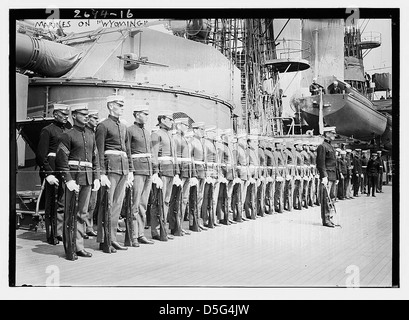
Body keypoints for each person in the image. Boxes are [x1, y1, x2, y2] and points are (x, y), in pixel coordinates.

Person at [55, 103, 100, 260]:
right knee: (70, 213)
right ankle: (69, 248)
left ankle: (79, 246)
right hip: (74, 178)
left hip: (87, 177)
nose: (86, 116)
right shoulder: (67, 135)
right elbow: (62, 159)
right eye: (82, 114)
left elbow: (96, 159)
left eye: (87, 114)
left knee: (82, 214)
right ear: (74, 116)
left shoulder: (91, 135)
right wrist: (67, 179)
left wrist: (97, 178)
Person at [95, 95, 134, 253]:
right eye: (120, 105)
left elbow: (128, 150)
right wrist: (101, 173)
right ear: (111, 106)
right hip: (110, 168)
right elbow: (99, 151)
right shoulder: (103, 126)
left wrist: (130, 170)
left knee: (117, 205)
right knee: (108, 204)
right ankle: (105, 240)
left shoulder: (123, 127)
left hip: (122, 168)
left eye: (123, 105)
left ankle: (112, 239)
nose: (122, 108)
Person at [36, 104, 71, 245]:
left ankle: (60, 232)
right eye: (63, 114)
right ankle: (52, 235)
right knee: (52, 204)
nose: (66, 117)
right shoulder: (47, 130)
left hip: (64, 169)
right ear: (55, 114)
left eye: (67, 114)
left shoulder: (68, 129)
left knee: (62, 202)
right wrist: (48, 174)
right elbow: (40, 154)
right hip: (52, 170)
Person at [126, 104, 155, 245]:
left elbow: (151, 152)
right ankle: (133, 235)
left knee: (143, 204)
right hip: (137, 170)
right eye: (145, 114)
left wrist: (153, 171)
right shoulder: (130, 131)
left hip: (147, 170)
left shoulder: (147, 132)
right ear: (137, 114)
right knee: (135, 204)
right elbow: (128, 152)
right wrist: (130, 171)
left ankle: (141, 233)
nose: (147, 117)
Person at [150, 110, 179, 240]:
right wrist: (155, 172)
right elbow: (154, 154)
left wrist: (177, 173)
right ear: (162, 120)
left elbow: (175, 156)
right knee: (159, 201)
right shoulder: (156, 135)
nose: (172, 122)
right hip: (162, 171)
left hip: (170, 171)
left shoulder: (170, 136)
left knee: (166, 201)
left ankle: (163, 228)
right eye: (169, 119)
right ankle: (156, 230)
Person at [172, 117, 193, 234]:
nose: (187, 127)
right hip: (180, 172)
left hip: (186, 172)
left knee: (184, 199)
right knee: (177, 200)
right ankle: (176, 226)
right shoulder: (175, 139)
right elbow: (175, 157)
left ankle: (180, 225)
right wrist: (176, 173)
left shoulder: (184, 139)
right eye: (185, 125)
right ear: (178, 125)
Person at [316, 126, 337, 228]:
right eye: (332, 133)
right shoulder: (322, 146)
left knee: (332, 197)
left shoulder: (330, 146)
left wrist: (335, 177)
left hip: (332, 176)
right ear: (327, 134)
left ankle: (330, 218)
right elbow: (321, 163)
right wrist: (324, 176)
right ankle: (326, 219)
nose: (334, 135)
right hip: (327, 176)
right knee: (326, 198)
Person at [190, 121, 209, 230]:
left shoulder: (202, 142)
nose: (203, 132)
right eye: (201, 129)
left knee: (200, 197)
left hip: (202, 173)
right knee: (194, 198)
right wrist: (193, 174)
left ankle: (197, 221)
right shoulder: (192, 142)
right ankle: (193, 222)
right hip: (196, 173)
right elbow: (191, 158)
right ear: (195, 130)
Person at [84, 109, 99, 238]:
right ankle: (82, 228)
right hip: (84, 172)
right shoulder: (84, 132)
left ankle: (89, 227)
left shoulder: (94, 133)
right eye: (94, 118)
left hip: (93, 172)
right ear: (88, 119)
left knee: (92, 202)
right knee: (83, 203)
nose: (97, 120)